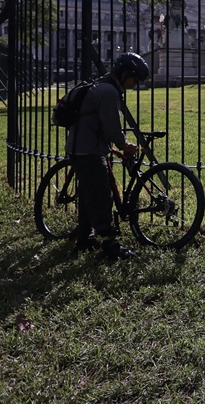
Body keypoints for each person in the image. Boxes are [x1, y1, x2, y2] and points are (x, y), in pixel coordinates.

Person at [65, 52, 150, 260]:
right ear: (124, 74)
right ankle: (110, 246)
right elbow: (112, 129)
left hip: (80, 148)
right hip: (90, 151)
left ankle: (84, 240)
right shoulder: (109, 92)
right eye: (135, 79)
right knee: (102, 197)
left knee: (88, 197)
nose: (135, 84)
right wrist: (125, 145)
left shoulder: (101, 86)